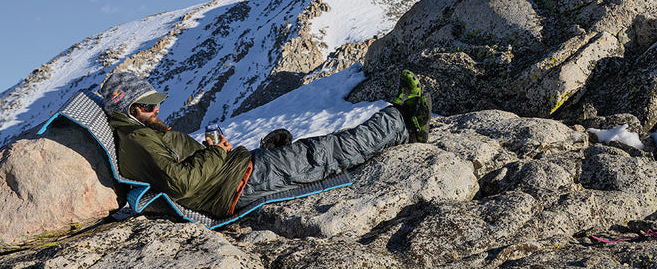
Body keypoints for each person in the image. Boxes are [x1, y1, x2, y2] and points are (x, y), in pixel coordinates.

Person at [100, 70, 431, 218]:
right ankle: (403, 118)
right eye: (147, 106)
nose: (157, 108)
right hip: (241, 182)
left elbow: (181, 170)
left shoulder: (139, 133)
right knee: (328, 151)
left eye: (156, 101)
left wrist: (214, 151)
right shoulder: (138, 141)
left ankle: (398, 124)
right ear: (128, 110)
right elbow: (182, 182)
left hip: (238, 172)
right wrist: (217, 152)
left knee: (312, 150)